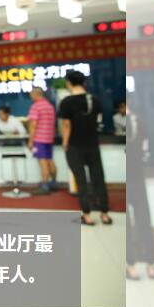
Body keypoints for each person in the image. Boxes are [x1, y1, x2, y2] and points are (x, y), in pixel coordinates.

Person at [58, 70, 111, 226]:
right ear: (84, 83)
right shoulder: (95, 100)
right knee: (98, 179)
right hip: (93, 145)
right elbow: (99, 120)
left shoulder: (66, 102)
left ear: (69, 83)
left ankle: (87, 215)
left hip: (75, 146)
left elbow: (66, 125)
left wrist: (65, 143)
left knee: (81, 181)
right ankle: (105, 214)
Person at [126, 109, 154, 280]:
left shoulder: (138, 122)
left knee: (140, 221)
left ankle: (136, 264)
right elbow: (145, 150)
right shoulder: (140, 121)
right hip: (136, 177)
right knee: (143, 220)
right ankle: (146, 264)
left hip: (133, 177)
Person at [27, 87, 58, 194]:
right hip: (49, 138)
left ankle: (44, 186)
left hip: (39, 139)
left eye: (31, 94)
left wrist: (31, 140)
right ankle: (53, 183)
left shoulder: (35, 106)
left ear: (35, 94)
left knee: (42, 161)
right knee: (50, 160)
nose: (30, 96)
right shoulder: (50, 106)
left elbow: (33, 125)